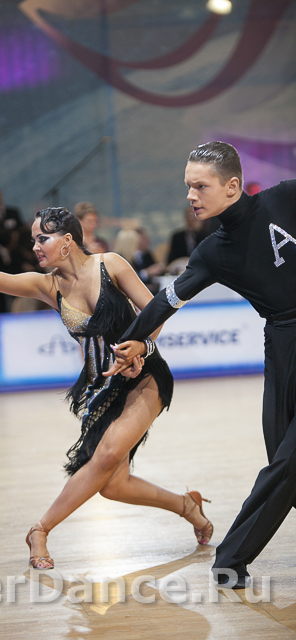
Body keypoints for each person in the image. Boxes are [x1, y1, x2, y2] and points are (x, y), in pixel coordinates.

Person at [0, 208, 213, 570]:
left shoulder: (110, 264)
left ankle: (41, 529)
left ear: (67, 240)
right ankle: (186, 505)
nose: (35, 246)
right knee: (113, 485)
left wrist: (140, 346)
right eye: (33, 239)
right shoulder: (47, 286)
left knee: (107, 455)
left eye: (42, 238)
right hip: (100, 388)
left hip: (145, 375)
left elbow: (155, 311)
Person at [107, 141, 296, 590]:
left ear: (232, 186)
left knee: (289, 461)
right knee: (282, 459)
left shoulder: (286, 197)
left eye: (200, 186)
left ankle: (230, 559)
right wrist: (133, 340)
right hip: (281, 344)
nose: (191, 195)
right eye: (188, 186)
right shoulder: (211, 253)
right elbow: (165, 302)